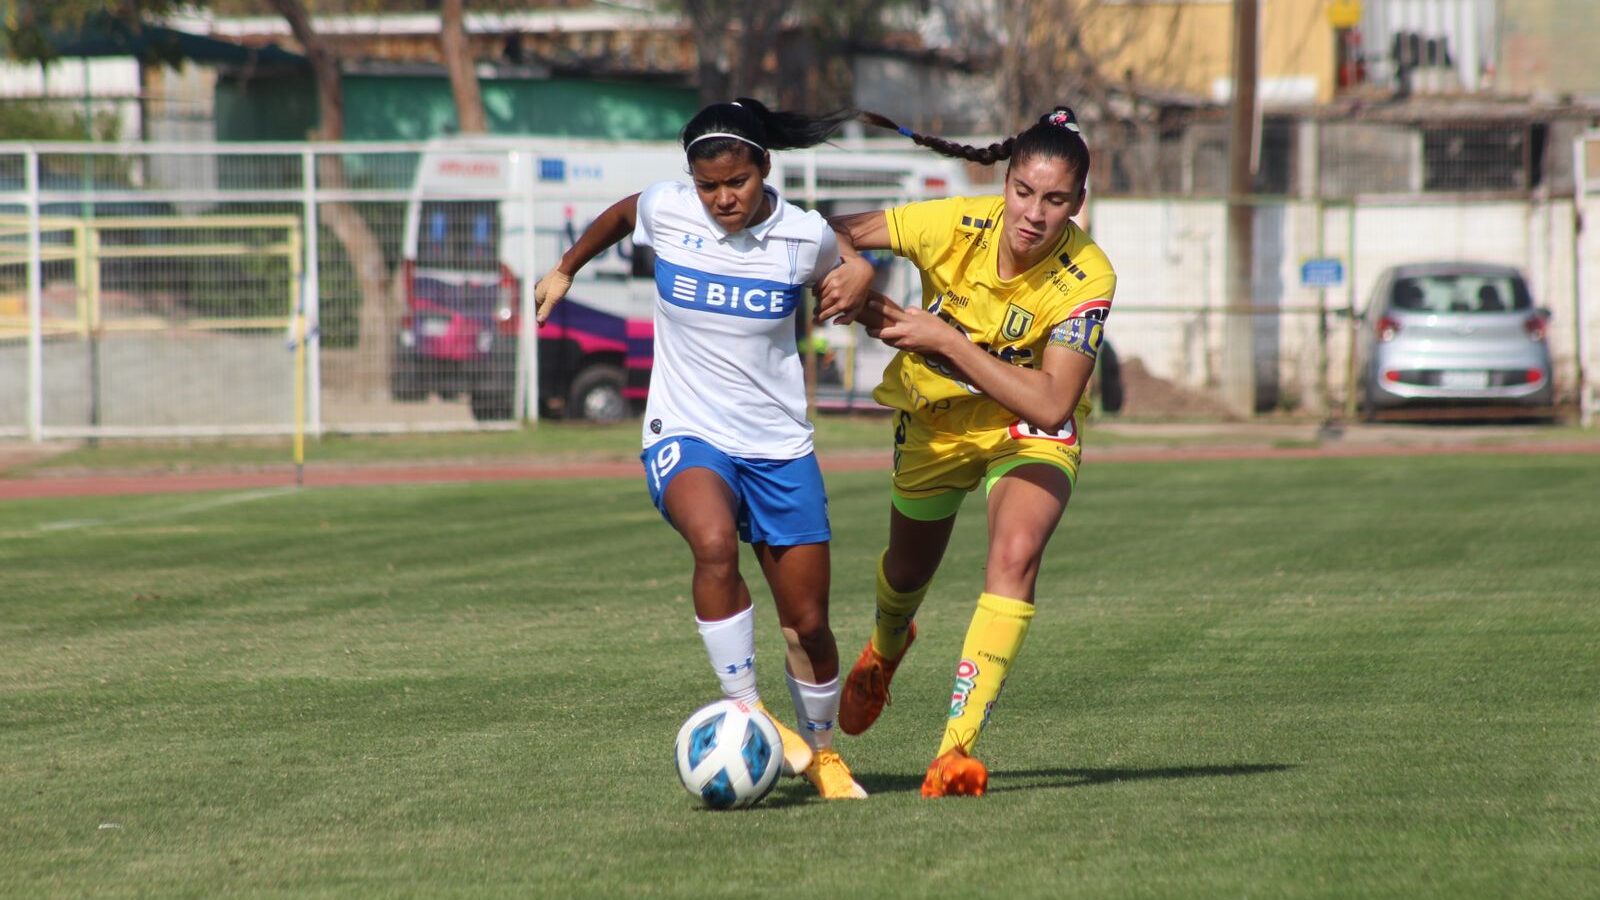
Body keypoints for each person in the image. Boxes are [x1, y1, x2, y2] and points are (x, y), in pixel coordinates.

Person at [533, 98, 868, 800]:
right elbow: (625, 212)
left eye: (736, 183)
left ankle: (824, 750)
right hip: (684, 431)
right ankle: (746, 709)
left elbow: (851, 266)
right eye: (707, 185)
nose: (721, 199)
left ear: (764, 168)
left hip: (779, 446)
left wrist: (862, 275)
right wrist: (566, 268)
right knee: (713, 544)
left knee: (807, 624)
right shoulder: (670, 209)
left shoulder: (803, 236)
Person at [818, 106, 1116, 798]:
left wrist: (946, 339)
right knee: (905, 570)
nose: (1034, 214)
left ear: (1078, 204)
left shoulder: (1089, 277)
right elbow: (828, 235)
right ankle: (887, 648)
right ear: (1005, 181)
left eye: (1055, 200)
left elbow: (1050, 403)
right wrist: (858, 270)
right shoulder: (956, 221)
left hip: (1026, 428)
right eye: (1023, 192)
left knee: (1014, 558)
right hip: (933, 423)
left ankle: (955, 753)